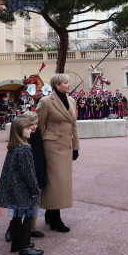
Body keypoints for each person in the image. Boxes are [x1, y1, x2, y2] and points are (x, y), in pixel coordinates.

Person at [36, 73, 79, 233]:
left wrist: (76, 147)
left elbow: (74, 125)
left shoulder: (72, 101)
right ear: (57, 85)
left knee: (62, 182)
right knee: (55, 182)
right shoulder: (46, 102)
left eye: (68, 82)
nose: (69, 84)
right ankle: (55, 218)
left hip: (66, 145)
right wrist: (38, 149)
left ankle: (50, 212)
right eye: (65, 82)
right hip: (51, 146)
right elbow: (39, 127)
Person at [0, 118, 43, 255]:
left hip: (14, 187)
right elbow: (28, 173)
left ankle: (17, 244)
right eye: (27, 129)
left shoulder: (14, 146)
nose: (30, 131)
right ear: (19, 131)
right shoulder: (25, 149)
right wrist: (35, 190)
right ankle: (25, 248)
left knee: (17, 216)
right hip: (23, 189)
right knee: (28, 216)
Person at [4, 111, 47, 242]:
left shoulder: (36, 133)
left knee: (32, 205)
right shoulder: (22, 137)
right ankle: (13, 231)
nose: (35, 126)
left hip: (36, 168)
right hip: (26, 172)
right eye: (32, 124)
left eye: (36, 123)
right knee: (21, 207)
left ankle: (30, 230)